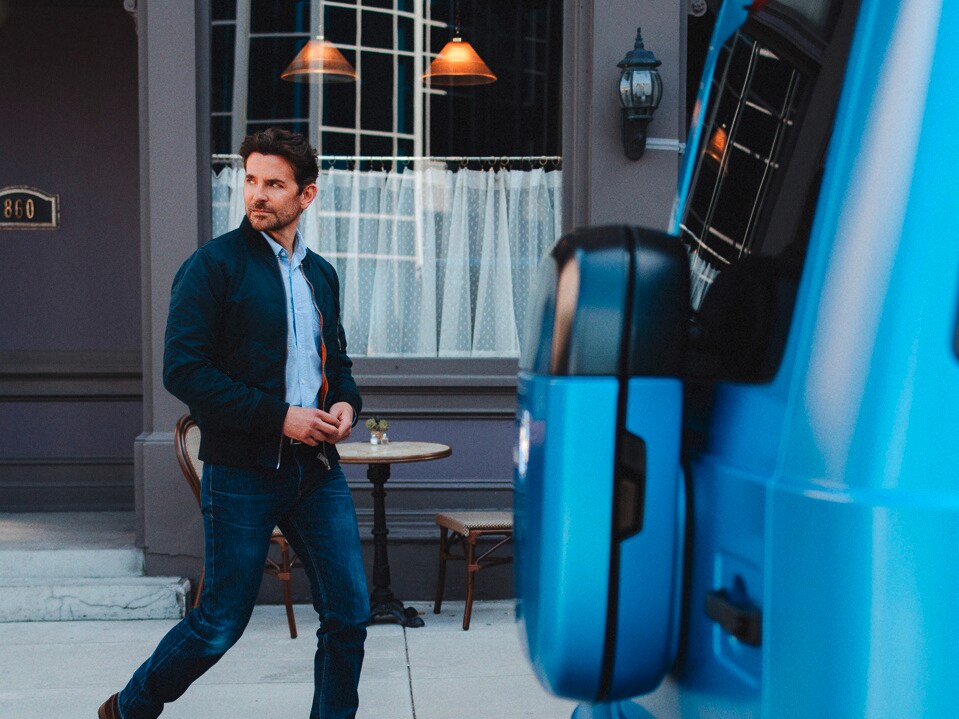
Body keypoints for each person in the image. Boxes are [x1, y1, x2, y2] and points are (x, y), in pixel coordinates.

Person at [99, 128, 369, 719]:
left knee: (349, 615)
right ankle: (128, 709)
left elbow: (336, 364)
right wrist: (281, 418)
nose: (257, 194)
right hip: (241, 471)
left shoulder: (321, 274)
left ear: (307, 195)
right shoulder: (212, 267)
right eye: (250, 180)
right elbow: (183, 370)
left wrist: (345, 404)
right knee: (220, 621)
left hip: (315, 470)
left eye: (274, 184)